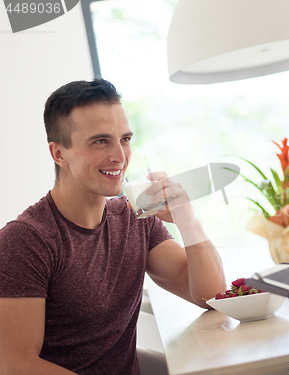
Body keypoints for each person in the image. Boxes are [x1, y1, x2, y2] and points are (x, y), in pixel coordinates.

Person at [0, 79, 227, 374]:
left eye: (125, 139)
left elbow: (212, 296)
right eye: (100, 141)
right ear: (59, 154)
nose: (120, 156)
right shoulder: (26, 241)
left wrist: (188, 221)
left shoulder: (135, 217)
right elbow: (15, 364)